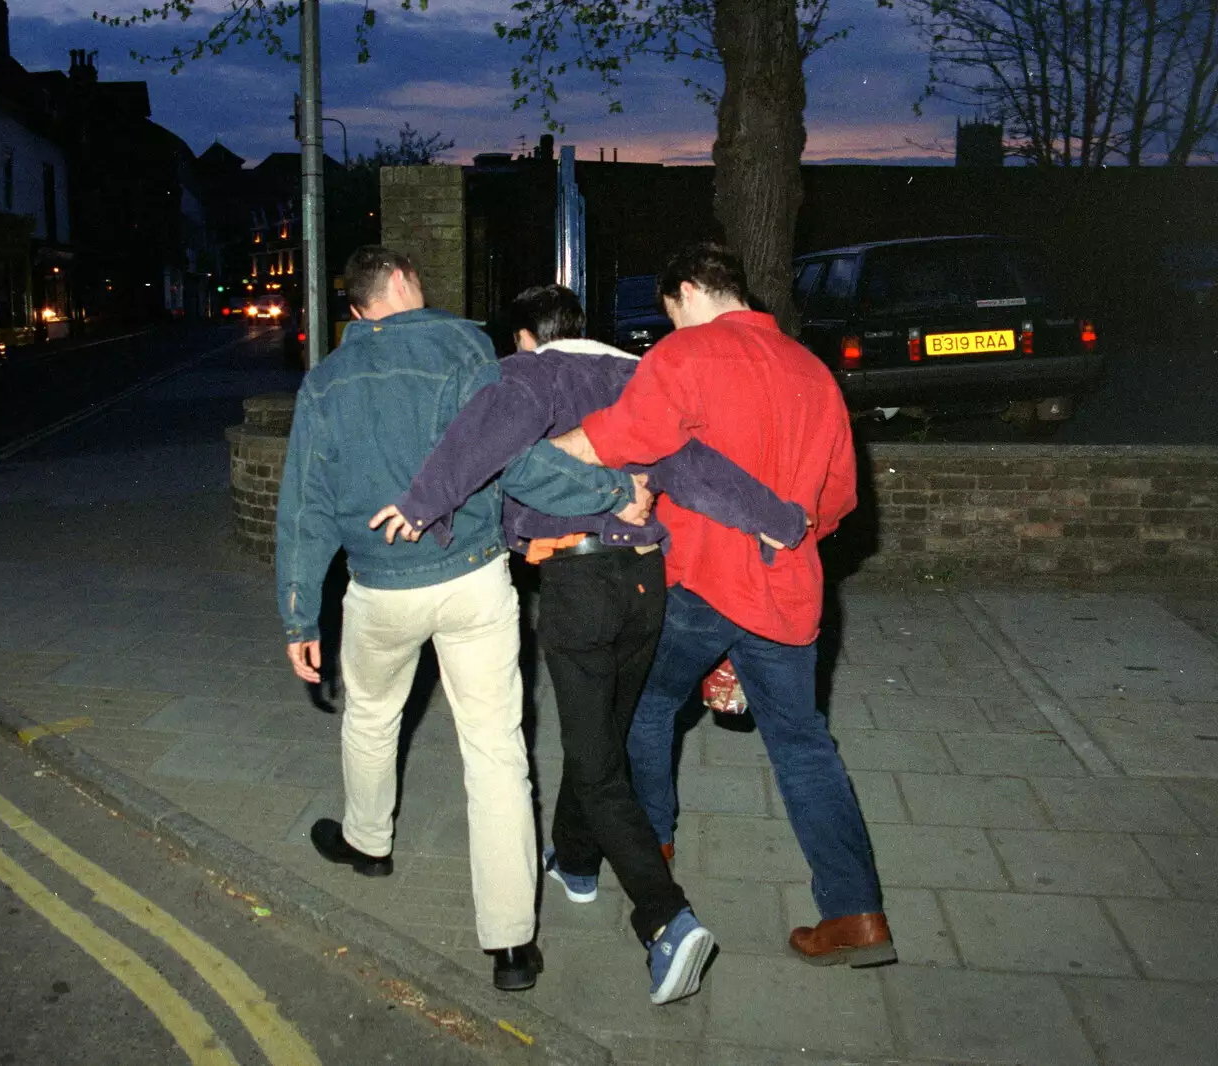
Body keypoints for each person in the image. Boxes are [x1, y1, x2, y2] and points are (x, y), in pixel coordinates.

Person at [368, 283, 809, 1005]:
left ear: (523, 339)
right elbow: (697, 470)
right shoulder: (636, 377)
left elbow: (484, 448)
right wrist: (777, 519)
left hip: (582, 587)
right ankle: (575, 863)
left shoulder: (530, 376)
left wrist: (424, 505)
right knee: (597, 733)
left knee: (601, 764)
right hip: (645, 586)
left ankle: (666, 921)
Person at [276, 247, 650, 992]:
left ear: (355, 310)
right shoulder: (462, 349)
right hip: (474, 579)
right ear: (413, 287)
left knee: (372, 716)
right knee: (496, 752)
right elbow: (512, 461)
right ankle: (511, 946)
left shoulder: (324, 381)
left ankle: (368, 841)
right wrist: (608, 492)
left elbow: (305, 508)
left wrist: (297, 615)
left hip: (380, 586)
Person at [551, 243, 897, 968]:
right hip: (788, 590)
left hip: (702, 583)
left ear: (683, 292)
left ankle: (654, 856)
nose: (669, 324)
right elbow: (837, 499)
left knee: (644, 707)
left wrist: (535, 456)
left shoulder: (684, 358)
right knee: (804, 745)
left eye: (669, 310)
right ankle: (856, 913)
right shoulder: (812, 370)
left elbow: (616, 439)